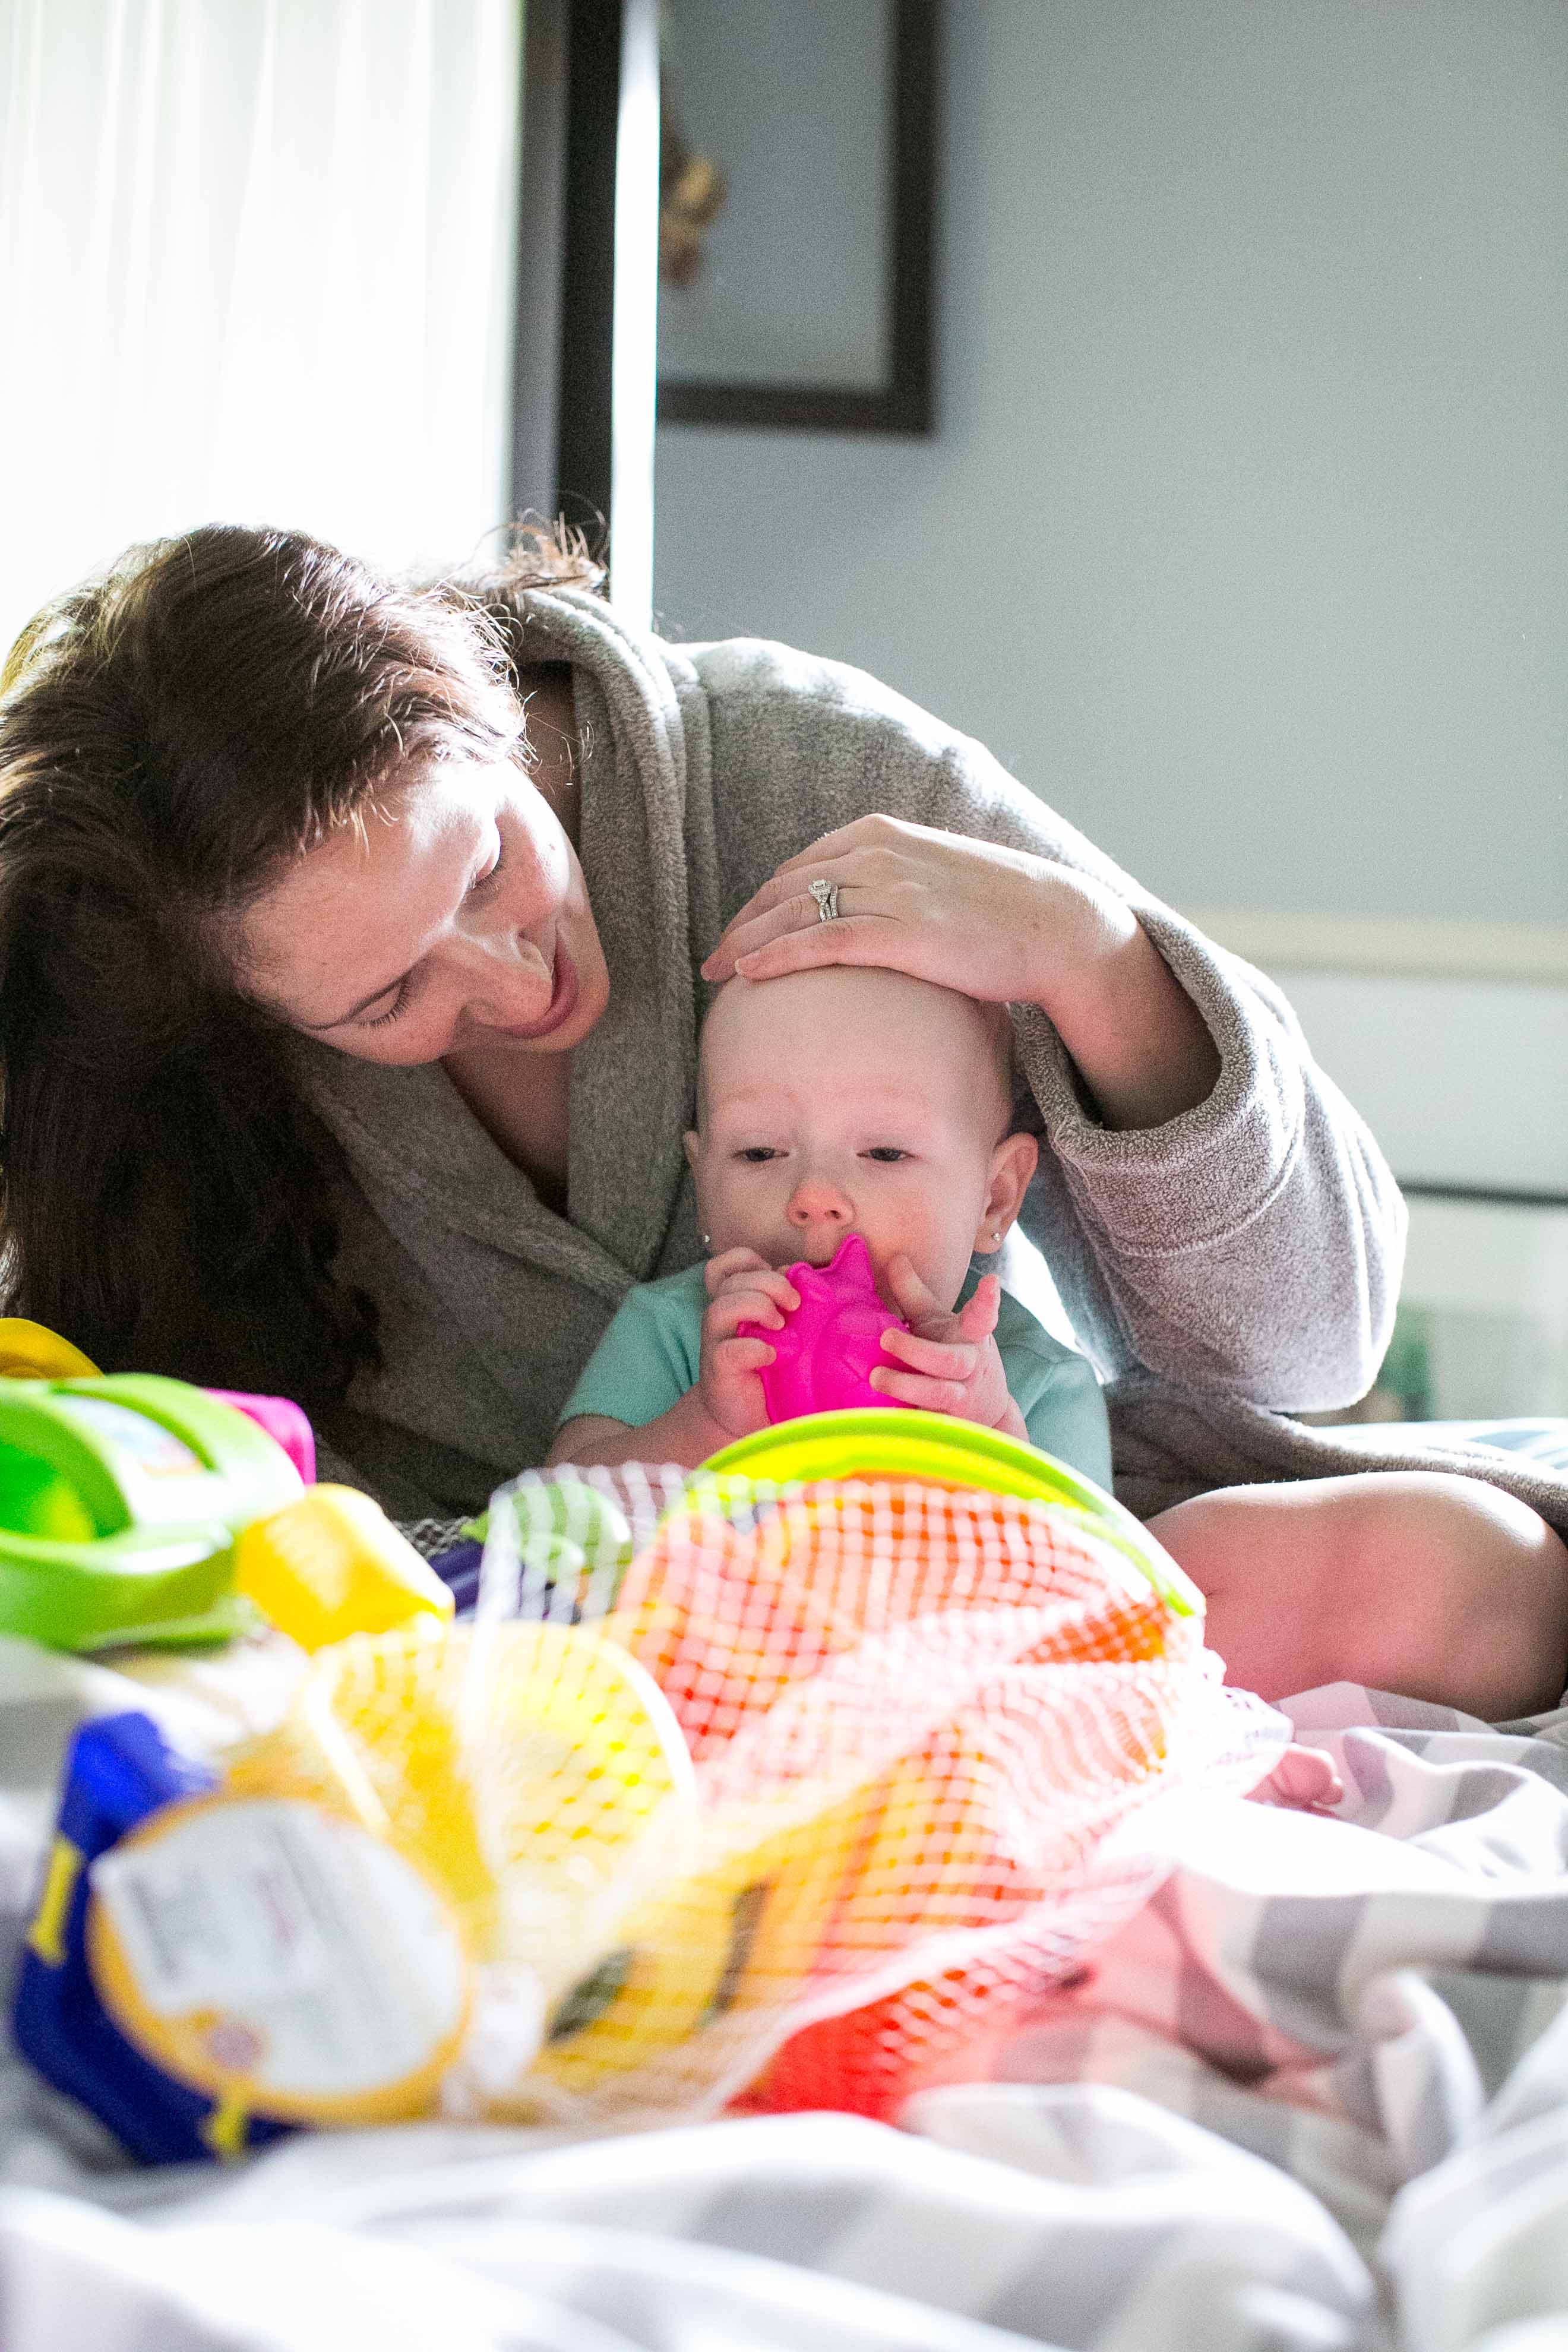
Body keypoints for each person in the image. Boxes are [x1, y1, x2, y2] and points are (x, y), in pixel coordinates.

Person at [1, 523, 1564, 1719]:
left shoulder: (808, 780)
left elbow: (1310, 1347)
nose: (513, 981)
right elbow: (262, 1554)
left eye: (486, 866)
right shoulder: (190, 1090)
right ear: (258, 1020)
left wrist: (1092, 963)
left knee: (1472, 1575)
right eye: (386, 998)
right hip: (611, 1663)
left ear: (487, 704)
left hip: (990, 1589)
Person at [551, 964, 1111, 1484]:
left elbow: (1089, 1558)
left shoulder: (1042, 1384)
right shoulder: (674, 1331)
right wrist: (706, 1428)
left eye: (885, 1153)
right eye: (759, 1152)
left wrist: (990, 1437)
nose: (813, 1195)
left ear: (995, 1199)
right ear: (704, 1187)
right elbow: (552, 1505)